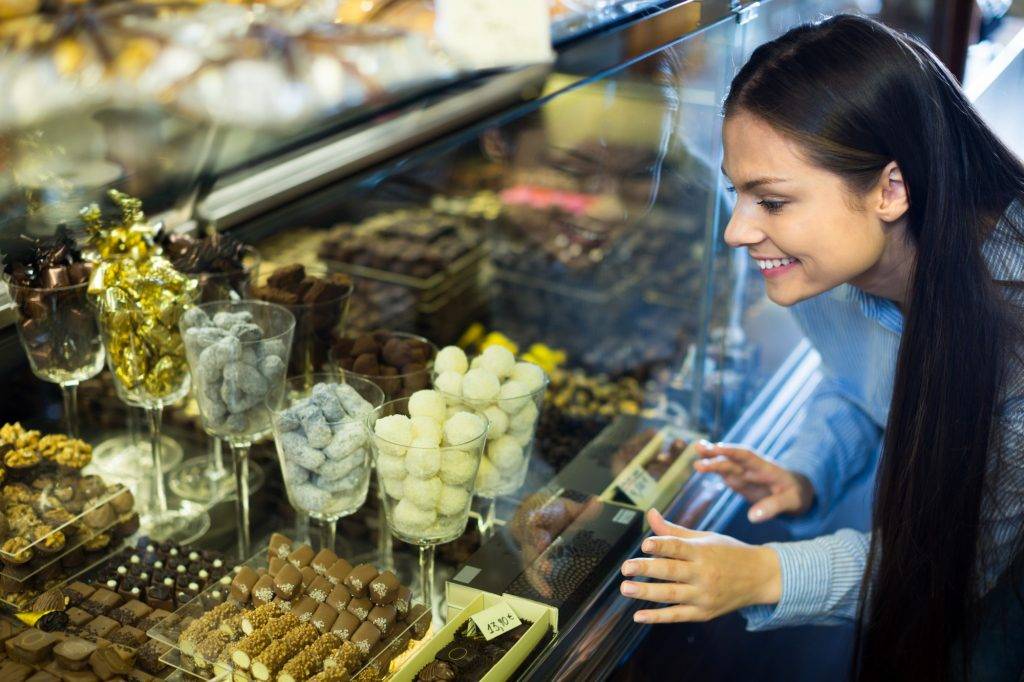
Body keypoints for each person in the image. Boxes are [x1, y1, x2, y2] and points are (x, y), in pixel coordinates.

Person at [617, 14, 1024, 681]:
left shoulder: (1015, 325)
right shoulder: (832, 266)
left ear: (890, 189)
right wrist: (808, 472)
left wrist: (762, 573)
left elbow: (964, 566)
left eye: (772, 201)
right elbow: (859, 377)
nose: (738, 232)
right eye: (736, 194)